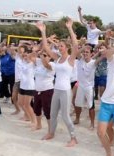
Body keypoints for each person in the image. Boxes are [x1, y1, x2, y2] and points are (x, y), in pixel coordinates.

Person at [36, 18, 78, 147]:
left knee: (65, 116)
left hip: (65, 90)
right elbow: (47, 48)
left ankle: (73, 137)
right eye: (58, 46)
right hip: (56, 90)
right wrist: (43, 32)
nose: (59, 48)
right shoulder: (57, 58)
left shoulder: (70, 59)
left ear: (67, 48)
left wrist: (70, 28)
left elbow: (76, 45)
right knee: (52, 114)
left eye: (61, 46)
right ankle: (51, 133)